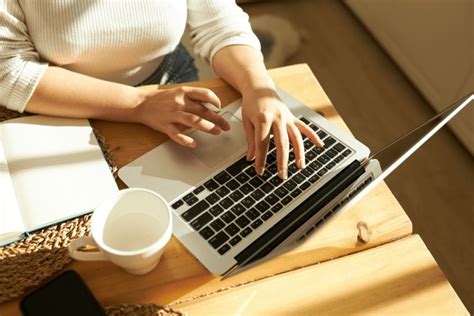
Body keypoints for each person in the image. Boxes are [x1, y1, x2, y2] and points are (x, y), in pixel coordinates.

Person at [0, 1, 323, 179]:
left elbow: (218, 22)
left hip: (170, 78)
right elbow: (9, 70)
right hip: (64, 99)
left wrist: (259, 89)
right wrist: (138, 104)